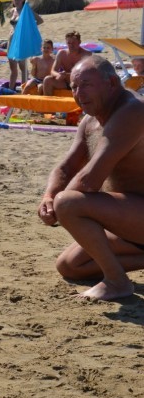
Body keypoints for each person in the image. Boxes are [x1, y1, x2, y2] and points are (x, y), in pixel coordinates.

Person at [38, 55, 144, 301]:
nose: (78, 93)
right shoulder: (90, 120)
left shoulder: (132, 111)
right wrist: (48, 196)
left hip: (137, 213)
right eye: (74, 86)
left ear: (112, 84)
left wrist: (58, 209)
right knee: (69, 266)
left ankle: (117, 282)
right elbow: (66, 167)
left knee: (69, 203)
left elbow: (89, 179)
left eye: (86, 85)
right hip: (128, 217)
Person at [7, 0, 43, 91]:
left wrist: (28, 28)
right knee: (12, 67)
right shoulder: (12, 10)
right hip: (11, 39)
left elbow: (40, 20)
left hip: (20, 40)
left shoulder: (26, 11)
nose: (16, 0)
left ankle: (24, 89)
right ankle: (10, 90)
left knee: (22, 66)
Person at [41, 31, 91, 96]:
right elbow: (53, 71)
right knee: (47, 80)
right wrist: (58, 75)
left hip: (80, 83)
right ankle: (48, 105)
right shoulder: (62, 53)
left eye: (74, 43)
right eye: (69, 43)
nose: (71, 45)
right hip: (66, 82)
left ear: (79, 42)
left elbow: (89, 74)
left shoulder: (87, 55)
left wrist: (70, 75)